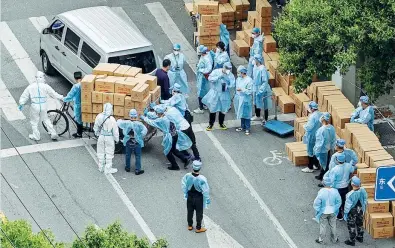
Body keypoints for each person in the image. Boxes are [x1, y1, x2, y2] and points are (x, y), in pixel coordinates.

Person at [141, 104, 192, 170]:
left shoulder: (162, 120)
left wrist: (144, 118)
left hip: (170, 137)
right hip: (175, 134)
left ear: (159, 113)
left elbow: (152, 122)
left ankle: (175, 166)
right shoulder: (167, 115)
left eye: (156, 112)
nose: (156, 114)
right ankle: (185, 159)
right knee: (173, 149)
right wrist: (148, 113)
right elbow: (155, 116)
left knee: (167, 152)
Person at [18, 71, 64, 141]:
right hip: (43, 105)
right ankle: (53, 133)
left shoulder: (31, 87)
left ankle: (36, 136)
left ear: (36, 78)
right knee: (46, 119)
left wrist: (21, 103)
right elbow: (54, 94)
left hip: (35, 106)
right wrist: (62, 97)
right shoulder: (46, 86)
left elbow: (24, 96)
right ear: (43, 78)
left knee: (34, 122)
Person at [202, 62, 235, 131]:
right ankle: (211, 124)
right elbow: (210, 78)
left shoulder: (230, 75)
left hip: (224, 93)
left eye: (229, 68)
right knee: (213, 108)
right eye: (227, 68)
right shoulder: (216, 72)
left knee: (223, 108)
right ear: (223, 67)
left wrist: (227, 85)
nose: (228, 70)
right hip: (215, 93)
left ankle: (221, 123)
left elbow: (233, 84)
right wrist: (218, 77)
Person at [181, 160, 210, 233]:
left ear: (192, 167)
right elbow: (205, 190)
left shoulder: (187, 176)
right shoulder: (202, 179)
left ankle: (190, 225)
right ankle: (198, 228)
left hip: (190, 196)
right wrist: (207, 199)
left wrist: (186, 193)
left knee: (190, 211)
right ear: (199, 168)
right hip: (198, 198)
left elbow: (184, 185)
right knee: (199, 213)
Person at [323, 153, 354, 220]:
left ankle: (339, 215)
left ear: (337, 160)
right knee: (344, 201)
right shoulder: (348, 166)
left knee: (337, 201)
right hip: (345, 187)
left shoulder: (335, 169)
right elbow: (352, 170)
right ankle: (345, 214)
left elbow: (331, 180)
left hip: (337, 188)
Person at [117, 109, 148, 175]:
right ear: (136, 116)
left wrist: (119, 119)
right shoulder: (139, 124)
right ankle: (137, 170)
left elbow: (119, 122)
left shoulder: (126, 122)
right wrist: (139, 136)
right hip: (137, 142)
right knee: (138, 156)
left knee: (128, 155)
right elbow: (145, 131)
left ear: (129, 115)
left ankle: (127, 167)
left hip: (128, 142)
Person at [313, 177, 341, 244]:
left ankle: (321, 240)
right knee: (333, 225)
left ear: (324, 183)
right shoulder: (335, 191)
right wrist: (335, 208)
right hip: (333, 211)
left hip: (324, 211)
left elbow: (316, 203)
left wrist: (318, 210)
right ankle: (335, 239)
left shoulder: (321, 192)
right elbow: (339, 202)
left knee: (323, 226)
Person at [93, 103, 119, 174]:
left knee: (100, 152)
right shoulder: (112, 119)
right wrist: (117, 139)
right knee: (109, 152)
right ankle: (108, 169)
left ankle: (101, 167)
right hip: (109, 137)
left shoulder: (99, 116)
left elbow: (96, 127)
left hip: (101, 136)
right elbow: (115, 131)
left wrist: (97, 134)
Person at [344, 176, 368, 246]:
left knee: (351, 225)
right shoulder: (363, 190)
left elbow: (347, 206)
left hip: (352, 212)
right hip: (360, 209)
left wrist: (345, 213)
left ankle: (352, 240)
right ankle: (360, 237)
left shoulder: (350, 194)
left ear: (352, 184)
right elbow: (365, 199)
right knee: (360, 224)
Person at [314, 112, 336, 183]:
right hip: (329, 148)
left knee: (324, 165)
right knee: (326, 164)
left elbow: (319, 143)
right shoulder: (331, 127)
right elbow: (333, 139)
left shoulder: (321, 130)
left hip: (322, 150)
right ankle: (321, 175)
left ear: (323, 119)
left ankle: (323, 180)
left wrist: (316, 151)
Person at [301, 101, 322, 173]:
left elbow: (309, 127)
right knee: (316, 150)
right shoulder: (320, 114)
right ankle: (316, 165)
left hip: (312, 135)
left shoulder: (312, 116)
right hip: (318, 135)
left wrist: (304, 126)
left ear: (312, 108)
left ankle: (310, 167)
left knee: (310, 151)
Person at [251, 54, 272, 124]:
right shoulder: (254, 66)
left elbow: (265, 81)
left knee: (265, 103)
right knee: (256, 101)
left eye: (255, 59)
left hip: (263, 88)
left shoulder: (262, 68)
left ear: (258, 60)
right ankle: (257, 115)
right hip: (255, 87)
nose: (254, 60)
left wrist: (260, 90)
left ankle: (265, 118)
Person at [63, 71, 84, 138]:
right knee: (80, 118)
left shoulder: (76, 86)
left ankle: (79, 133)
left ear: (75, 78)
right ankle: (80, 131)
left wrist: (64, 99)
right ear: (81, 77)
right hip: (84, 103)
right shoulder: (84, 84)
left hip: (78, 105)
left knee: (78, 119)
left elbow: (70, 95)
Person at [234, 66, 253, 135]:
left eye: (239, 73)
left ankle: (247, 128)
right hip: (239, 98)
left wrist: (242, 89)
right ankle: (242, 126)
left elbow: (250, 91)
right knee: (241, 112)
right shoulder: (239, 79)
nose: (238, 74)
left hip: (246, 99)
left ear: (242, 72)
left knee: (247, 114)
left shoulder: (249, 80)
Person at [194, 46, 213, 114]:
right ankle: (204, 104)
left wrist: (200, 69)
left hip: (203, 78)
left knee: (200, 92)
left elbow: (208, 69)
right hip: (202, 76)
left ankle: (200, 108)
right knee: (204, 92)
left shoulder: (206, 59)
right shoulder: (205, 56)